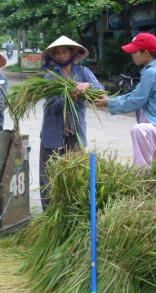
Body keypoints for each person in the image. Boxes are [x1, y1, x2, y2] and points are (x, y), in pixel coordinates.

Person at [95, 32, 156, 168]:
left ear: (145, 53)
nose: (132, 54)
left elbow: (136, 100)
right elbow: (134, 95)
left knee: (139, 131)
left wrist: (109, 103)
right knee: (152, 163)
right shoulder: (151, 71)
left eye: (134, 51)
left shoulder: (152, 73)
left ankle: (141, 176)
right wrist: (110, 101)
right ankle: (148, 180)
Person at [39, 35, 104, 210]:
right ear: (53, 56)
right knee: (48, 173)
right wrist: (69, 97)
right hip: (53, 131)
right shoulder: (49, 78)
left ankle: (72, 209)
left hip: (75, 131)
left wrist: (87, 86)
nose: (61, 56)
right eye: (57, 53)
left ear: (72, 53)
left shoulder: (83, 73)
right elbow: (52, 106)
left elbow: (100, 91)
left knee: (75, 171)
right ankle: (49, 211)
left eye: (64, 52)